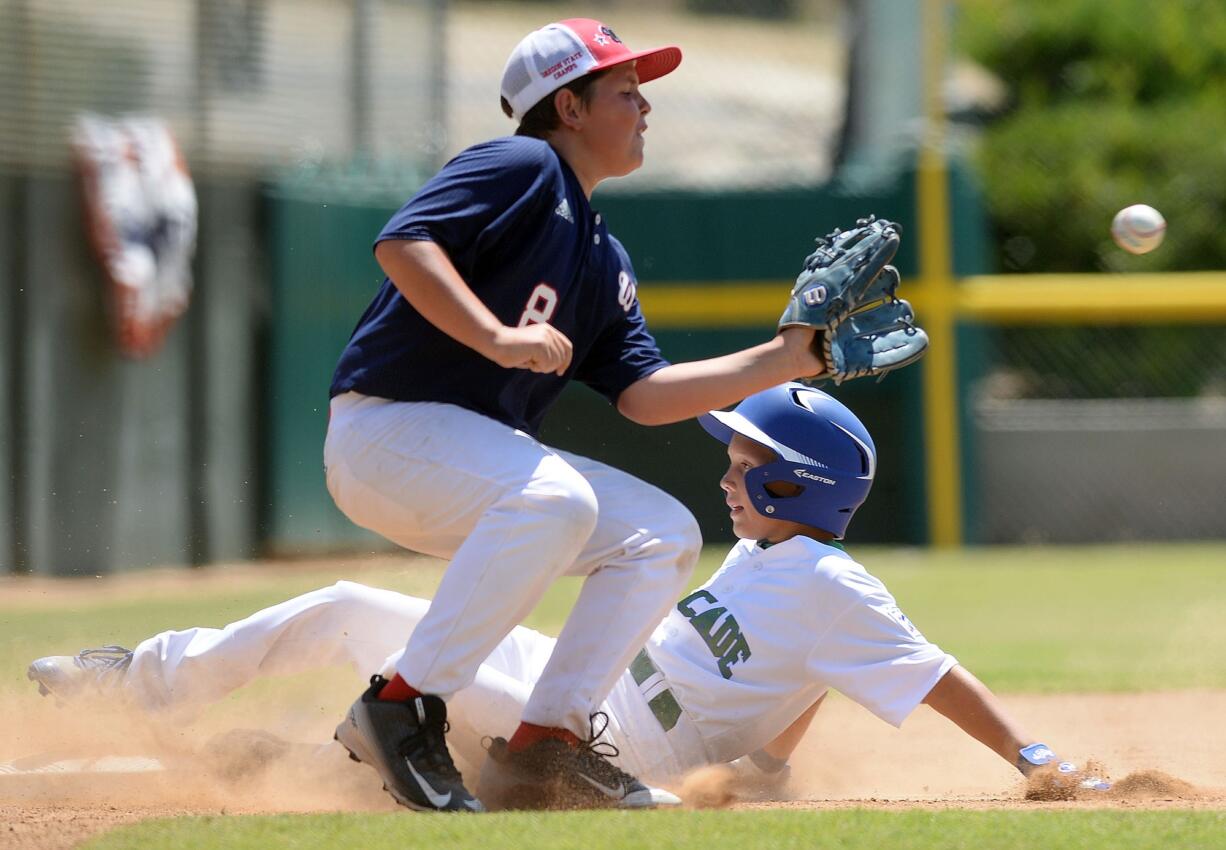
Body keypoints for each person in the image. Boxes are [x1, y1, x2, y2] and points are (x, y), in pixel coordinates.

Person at [29, 384, 1104, 809]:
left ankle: (151, 684)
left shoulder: (827, 576)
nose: (728, 471)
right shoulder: (774, 564)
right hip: (583, 702)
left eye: (745, 461)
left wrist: (1033, 759)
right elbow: (815, 666)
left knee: (351, 606)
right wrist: (769, 764)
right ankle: (251, 756)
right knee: (367, 732)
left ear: (793, 483)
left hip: (605, 738)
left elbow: (924, 671)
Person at [319, 15, 828, 812]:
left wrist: (785, 359)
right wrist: (494, 334)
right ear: (570, 109)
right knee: (556, 497)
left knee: (661, 534)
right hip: (387, 429)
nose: (645, 107)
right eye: (625, 90)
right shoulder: (521, 163)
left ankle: (544, 748)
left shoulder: (600, 252)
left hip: (465, 465)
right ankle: (398, 708)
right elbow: (405, 242)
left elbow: (644, 395)